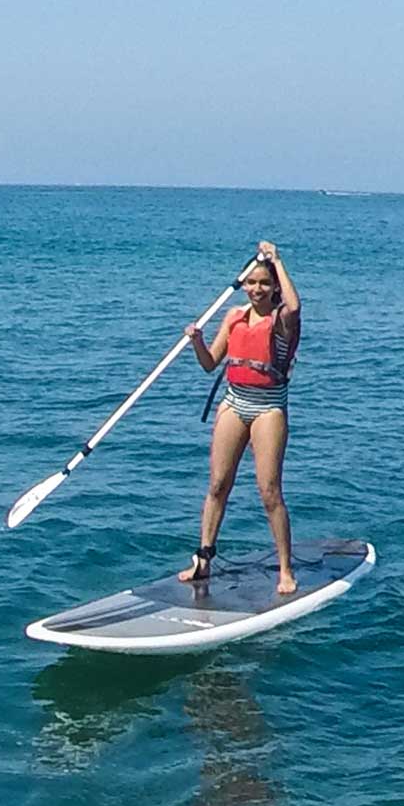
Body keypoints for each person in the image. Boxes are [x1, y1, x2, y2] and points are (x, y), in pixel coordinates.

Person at [178, 241, 301, 598]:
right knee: (217, 485)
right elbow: (209, 363)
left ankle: (285, 567)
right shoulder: (234, 317)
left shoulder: (281, 319)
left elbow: (294, 305)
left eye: (264, 283)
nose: (257, 289)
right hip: (234, 403)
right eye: (251, 283)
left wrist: (277, 260)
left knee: (269, 491)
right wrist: (196, 341)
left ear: (274, 285)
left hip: (268, 408)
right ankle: (204, 559)